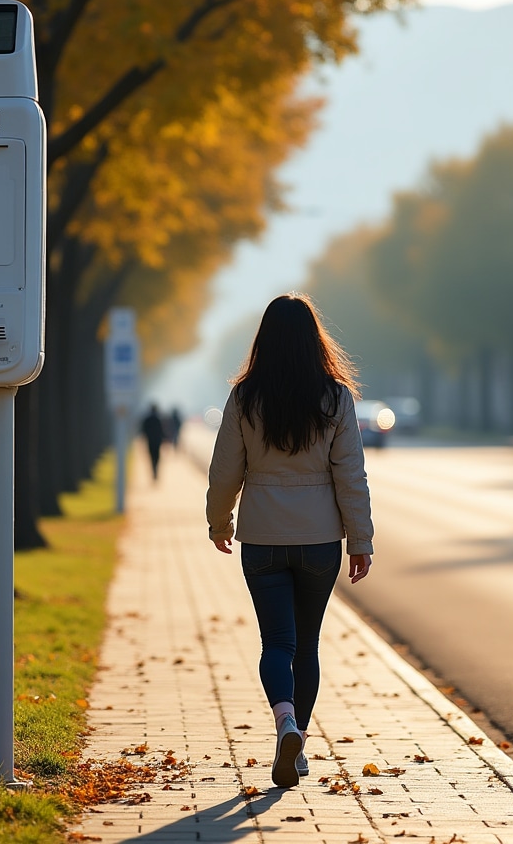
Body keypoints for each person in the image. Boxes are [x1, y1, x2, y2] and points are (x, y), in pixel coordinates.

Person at [206, 294, 373, 788]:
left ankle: (285, 724)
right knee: (307, 644)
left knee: (277, 642)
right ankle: (298, 741)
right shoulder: (336, 397)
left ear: (264, 340)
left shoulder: (245, 397)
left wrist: (219, 523)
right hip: (320, 540)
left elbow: (224, 471)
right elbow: (351, 475)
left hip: (262, 539)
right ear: (314, 340)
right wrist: (360, 539)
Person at [140, 403, 165, 480]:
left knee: (151, 457)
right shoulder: (159, 419)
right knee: (157, 457)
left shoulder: (147, 419)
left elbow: (143, 430)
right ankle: (155, 470)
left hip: (150, 441)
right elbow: (162, 430)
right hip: (157, 441)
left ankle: (154, 470)